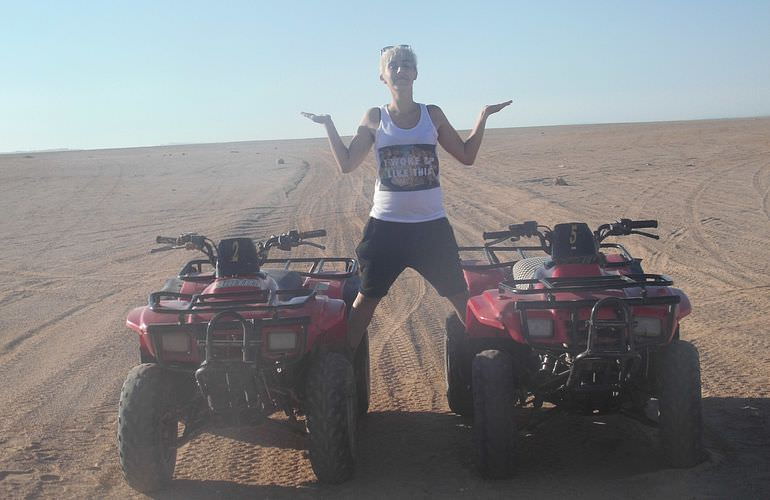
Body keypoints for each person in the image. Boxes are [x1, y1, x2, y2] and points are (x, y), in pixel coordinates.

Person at [302, 45, 511, 351]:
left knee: (458, 295)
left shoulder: (432, 114)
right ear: (382, 76)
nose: (401, 70)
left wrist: (483, 117)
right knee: (366, 301)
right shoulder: (374, 117)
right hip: (386, 227)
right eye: (394, 66)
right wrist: (329, 125)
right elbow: (347, 163)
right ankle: (343, 367)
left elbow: (466, 155)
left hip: (431, 226)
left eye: (406, 65)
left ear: (416, 73)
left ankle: (494, 362)